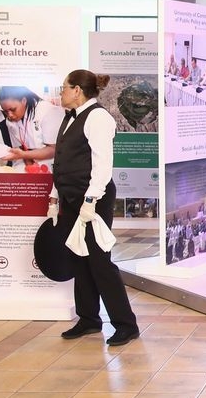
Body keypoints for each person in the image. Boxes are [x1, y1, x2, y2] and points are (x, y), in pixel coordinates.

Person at [50, 69, 139, 347]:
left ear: (77, 90)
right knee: (79, 257)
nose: (61, 92)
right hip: (71, 198)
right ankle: (89, 318)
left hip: (93, 199)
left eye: (64, 87)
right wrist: (54, 198)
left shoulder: (98, 117)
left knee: (100, 261)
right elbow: (61, 160)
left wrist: (90, 202)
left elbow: (103, 166)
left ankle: (126, 324)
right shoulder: (69, 117)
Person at [0, 86, 63, 170]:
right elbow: (21, 148)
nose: (9, 115)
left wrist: (24, 155)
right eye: (6, 111)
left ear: (24, 101)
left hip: (51, 165)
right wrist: (29, 168)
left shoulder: (47, 111)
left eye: (13, 109)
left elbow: (53, 150)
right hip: (27, 164)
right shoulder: (10, 121)